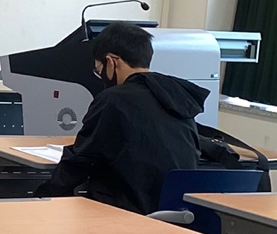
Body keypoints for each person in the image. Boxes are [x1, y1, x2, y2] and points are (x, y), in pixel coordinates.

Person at [45, 20, 205, 213]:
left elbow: (81, 159)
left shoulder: (113, 100)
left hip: (126, 213)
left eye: (99, 71)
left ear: (111, 61)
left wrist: (44, 196)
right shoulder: (177, 95)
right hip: (178, 216)